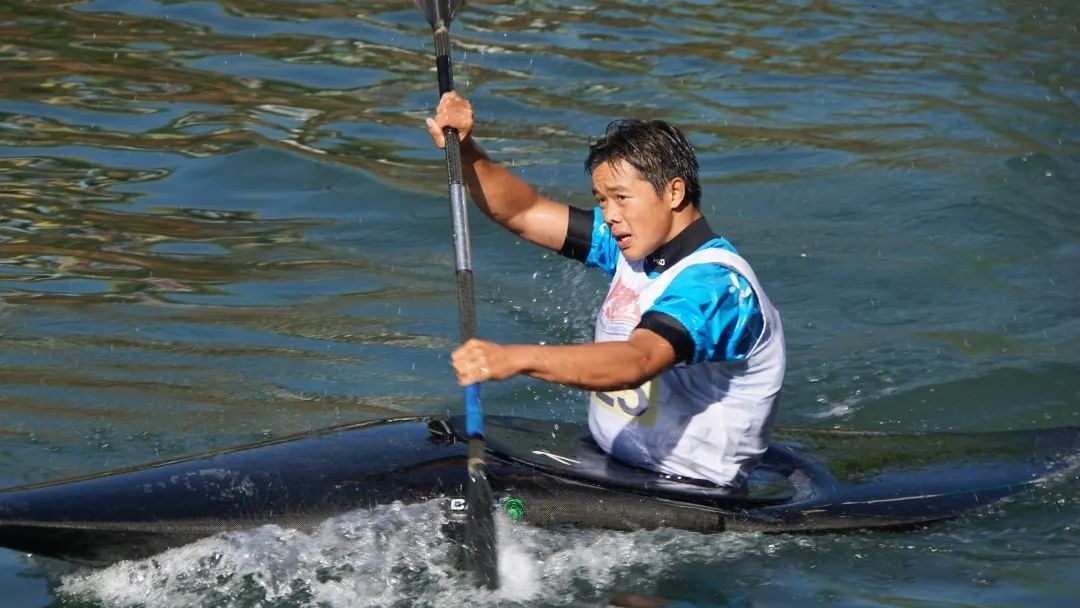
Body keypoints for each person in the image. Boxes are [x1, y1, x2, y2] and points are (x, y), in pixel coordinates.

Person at [425, 93, 785, 491]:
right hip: (610, 462)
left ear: (674, 193)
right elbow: (522, 212)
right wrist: (465, 148)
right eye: (601, 200)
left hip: (689, 489)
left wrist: (514, 357)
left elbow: (637, 361)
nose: (610, 214)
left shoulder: (716, 287)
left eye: (621, 198)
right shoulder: (632, 245)